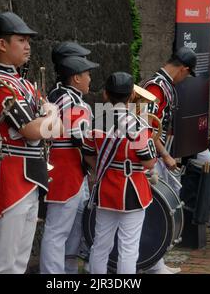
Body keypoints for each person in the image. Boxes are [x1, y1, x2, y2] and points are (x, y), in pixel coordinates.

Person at [0, 12, 62, 274]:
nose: (28, 46)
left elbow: (54, 129)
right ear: (2, 44)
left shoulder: (23, 84)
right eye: (21, 40)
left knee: (19, 262)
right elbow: (34, 130)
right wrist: (52, 114)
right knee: (1, 263)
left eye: (28, 40)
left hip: (29, 176)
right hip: (8, 178)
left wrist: (50, 120)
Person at [83, 72, 157, 274]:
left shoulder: (96, 121)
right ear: (132, 95)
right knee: (128, 248)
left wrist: (103, 167)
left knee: (100, 245)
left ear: (106, 95)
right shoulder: (139, 125)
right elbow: (149, 162)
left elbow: (88, 154)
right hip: (132, 189)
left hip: (105, 187)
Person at [40, 50, 99, 274]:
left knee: (69, 228)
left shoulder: (59, 95)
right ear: (76, 78)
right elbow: (81, 139)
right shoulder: (72, 101)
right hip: (66, 170)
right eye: (87, 74)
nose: (90, 79)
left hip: (68, 169)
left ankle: (67, 272)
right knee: (58, 231)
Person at [141, 46, 197, 274]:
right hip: (151, 154)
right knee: (154, 211)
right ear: (183, 69)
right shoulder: (156, 86)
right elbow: (146, 126)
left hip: (158, 151)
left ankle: (156, 263)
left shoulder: (164, 85)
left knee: (158, 209)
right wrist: (164, 154)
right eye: (187, 74)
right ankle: (152, 263)